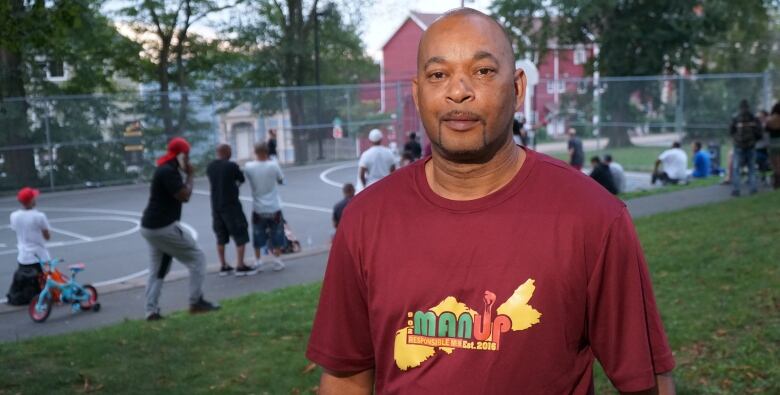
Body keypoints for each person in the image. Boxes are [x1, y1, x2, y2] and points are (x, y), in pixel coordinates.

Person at [307, 9, 675, 394]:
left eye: (482, 71)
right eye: (438, 75)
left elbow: (646, 383)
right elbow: (346, 377)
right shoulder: (366, 219)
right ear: (418, 94)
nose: (459, 90)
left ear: (517, 89)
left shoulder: (593, 218)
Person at [140, 137, 219, 321]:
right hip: (163, 226)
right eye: (187, 155)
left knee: (159, 269)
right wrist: (190, 175)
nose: (189, 160)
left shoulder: (166, 168)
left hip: (150, 227)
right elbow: (184, 196)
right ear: (181, 155)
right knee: (197, 258)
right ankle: (196, 302)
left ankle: (151, 311)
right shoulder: (168, 171)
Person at [206, 144, 257, 277]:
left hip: (216, 206)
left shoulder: (210, 167)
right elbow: (240, 179)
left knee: (221, 236)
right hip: (231, 205)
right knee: (240, 233)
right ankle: (240, 265)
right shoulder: (231, 166)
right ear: (227, 153)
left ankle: (224, 265)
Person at [244, 142, 286, 272]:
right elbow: (281, 180)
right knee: (277, 233)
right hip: (274, 206)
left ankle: (258, 260)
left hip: (258, 208)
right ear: (267, 152)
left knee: (258, 234)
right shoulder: (274, 165)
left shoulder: (248, 167)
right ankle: (277, 260)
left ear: (255, 152)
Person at [5, 187, 50, 305]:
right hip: (40, 256)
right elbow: (47, 236)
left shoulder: (14, 216)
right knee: (46, 279)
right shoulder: (39, 216)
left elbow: (15, 229)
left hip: (24, 257)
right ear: (31, 200)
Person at [729, 99, 762, 196]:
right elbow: (759, 132)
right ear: (748, 107)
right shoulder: (753, 117)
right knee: (752, 168)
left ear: (740, 107)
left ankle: (736, 190)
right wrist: (754, 140)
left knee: (736, 168)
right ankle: (753, 189)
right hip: (751, 146)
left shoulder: (735, 117)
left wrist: (735, 139)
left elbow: (731, 131)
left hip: (738, 146)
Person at [766, 102, 780, 189]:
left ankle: (776, 182)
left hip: (773, 143)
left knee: (775, 164)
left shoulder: (770, 120)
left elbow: (766, 129)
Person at [756, 110, 771, 185]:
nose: (759, 118)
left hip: (764, 150)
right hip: (756, 149)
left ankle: (763, 177)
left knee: (760, 158)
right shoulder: (757, 126)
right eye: (759, 117)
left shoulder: (768, 127)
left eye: (761, 117)